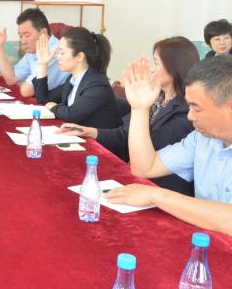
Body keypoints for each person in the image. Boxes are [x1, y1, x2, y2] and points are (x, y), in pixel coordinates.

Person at [105, 56, 232, 279]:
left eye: (196, 108)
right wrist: (140, 109)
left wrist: (155, 195)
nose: (190, 116)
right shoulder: (205, 136)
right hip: (215, 250)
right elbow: (145, 167)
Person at [59, 37, 198, 195]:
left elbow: (148, 148)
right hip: (137, 175)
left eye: (156, 63)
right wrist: (89, 131)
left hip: (162, 188)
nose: (152, 70)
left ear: (174, 66)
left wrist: (140, 108)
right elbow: (124, 134)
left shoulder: (187, 111)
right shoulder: (157, 98)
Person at [32, 26, 121, 129]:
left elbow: (72, 115)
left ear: (79, 56)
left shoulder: (97, 84)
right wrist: (42, 64)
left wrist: (54, 107)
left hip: (96, 139)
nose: (58, 57)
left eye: (62, 53)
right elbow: (43, 99)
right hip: (77, 135)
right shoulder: (73, 79)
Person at [0, 8, 67, 98]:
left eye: (27, 35)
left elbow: (27, 91)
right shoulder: (34, 50)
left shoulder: (56, 52)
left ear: (43, 32)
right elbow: (11, 79)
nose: (23, 41)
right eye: (21, 36)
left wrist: (25, 83)